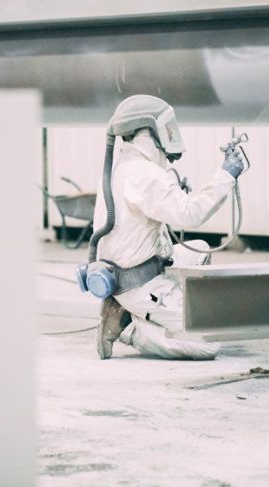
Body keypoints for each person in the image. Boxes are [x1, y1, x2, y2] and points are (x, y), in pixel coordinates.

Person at [91, 94, 245, 360]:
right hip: (138, 283)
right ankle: (130, 326)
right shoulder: (144, 175)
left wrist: (175, 194)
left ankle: (156, 311)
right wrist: (225, 176)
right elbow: (190, 214)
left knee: (199, 249)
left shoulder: (129, 167)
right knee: (207, 344)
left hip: (136, 267)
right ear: (149, 131)